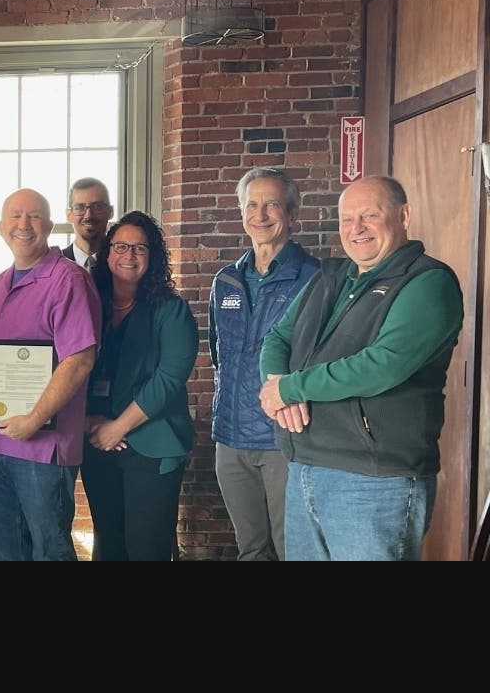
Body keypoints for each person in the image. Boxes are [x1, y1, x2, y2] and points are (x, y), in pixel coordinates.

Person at [259, 175, 463, 561]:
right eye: (346, 218)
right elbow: (277, 338)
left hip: (375, 480)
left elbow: (381, 366)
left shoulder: (428, 282)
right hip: (305, 466)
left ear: (404, 215)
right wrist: (278, 388)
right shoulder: (330, 276)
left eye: (370, 215)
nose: (356, 228)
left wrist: (291, 388)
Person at [0, 188, 99, 561]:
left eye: (34, 216)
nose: (23, 225)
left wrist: (34, 418)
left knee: (50, 550)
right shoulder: (0, 283)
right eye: (14, 216)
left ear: (51, 224)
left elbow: (79, 359)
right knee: (4, 549)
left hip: (43, 445)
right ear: (0, 226)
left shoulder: (68, 280)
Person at [208, 168, 318, 561]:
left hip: (285, 439)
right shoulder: (226, 281)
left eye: (272, 204)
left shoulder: (314, 278)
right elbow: (217, 353)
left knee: (293, 548)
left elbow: (318, 357)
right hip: (230, 437)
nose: (261, 214)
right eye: (252, 204)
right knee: (251, 549)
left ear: (292, 212)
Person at [81, 211, 198, 561]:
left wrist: (118, 427)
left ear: (153, 256)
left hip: (151, 444)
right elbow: (71, 367)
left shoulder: (171, 311)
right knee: (108, 543)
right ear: (107, 252)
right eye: (120, 246)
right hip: (96, 441)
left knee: (147, 547)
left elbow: (167, 380)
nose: (128, 255)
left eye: (140, 248)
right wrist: (88, 422)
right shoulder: (90, 304)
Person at [62, 177, 114, 271]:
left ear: (110, 212)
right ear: (69, 215)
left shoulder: (122, 263)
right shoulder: (56, 266)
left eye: (97, 207)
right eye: (80, 207)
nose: (89, 215)